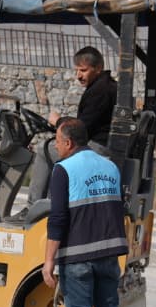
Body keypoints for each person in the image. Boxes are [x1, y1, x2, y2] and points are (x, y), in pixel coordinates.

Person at [43, 118, 128, 307]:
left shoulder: (63, 170)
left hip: (79, 257)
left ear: (68, 143)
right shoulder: (110, 166)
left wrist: (48, 261)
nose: (55, 145)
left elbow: (57, 219)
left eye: (57, 141)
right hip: (108, 255)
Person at [28, 47, 119, 206]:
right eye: (77, 70)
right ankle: (47, 203)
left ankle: (33, 207)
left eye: (83, 70)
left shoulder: (100, 91)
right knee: (55, 147)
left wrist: (58, 121)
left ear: (98, 68)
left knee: (44, 150)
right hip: (100, 145)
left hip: (97, 148)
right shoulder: (105, 86)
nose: (79, 75)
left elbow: (82, 129)